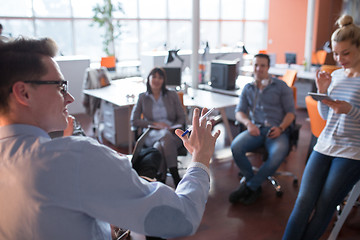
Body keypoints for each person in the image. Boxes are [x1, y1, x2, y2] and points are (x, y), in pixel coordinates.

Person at [0, 37, 221, 240]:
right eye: (60, 86)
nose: (70, 97)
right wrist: (201, 158)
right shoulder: (73, 156)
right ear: (24, 93)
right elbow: (182, 217)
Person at [283, 15, 360, 240]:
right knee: (303, 202)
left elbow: (348, 112)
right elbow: (326, 116)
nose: (339, 58)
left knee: (325, 206)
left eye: (345, 53)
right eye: (336, 53)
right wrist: (323, 93)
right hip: (324, 146)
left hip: (352, 152)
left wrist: (350, 110)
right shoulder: (335, 75)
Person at [229, 53, 295, 205]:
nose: (259, 69)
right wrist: (248, 124)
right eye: (256, 65)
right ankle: (253, 183)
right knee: (236, 147)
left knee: (278, 153)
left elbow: (291, 113)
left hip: (276, 130)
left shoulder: (281, 86)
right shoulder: (248, 88)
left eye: (263, 65)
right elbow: (239, 112)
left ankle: (250, 187)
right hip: (256, 129)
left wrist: (281, 128)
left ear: (268, 67)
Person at [131, 67, 186, 186]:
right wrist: (154, 124)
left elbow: (182, 118)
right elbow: (133, 120)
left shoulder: (172, 95)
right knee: (164, 136)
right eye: (154, 76)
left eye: (160, 77)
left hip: (172, 134)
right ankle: (175, 175)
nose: (156, 80)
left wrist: (173, 127)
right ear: (149, 79)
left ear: (164, 80)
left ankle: (160, 179)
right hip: (152, 133)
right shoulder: (142, 97)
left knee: (159, 146)